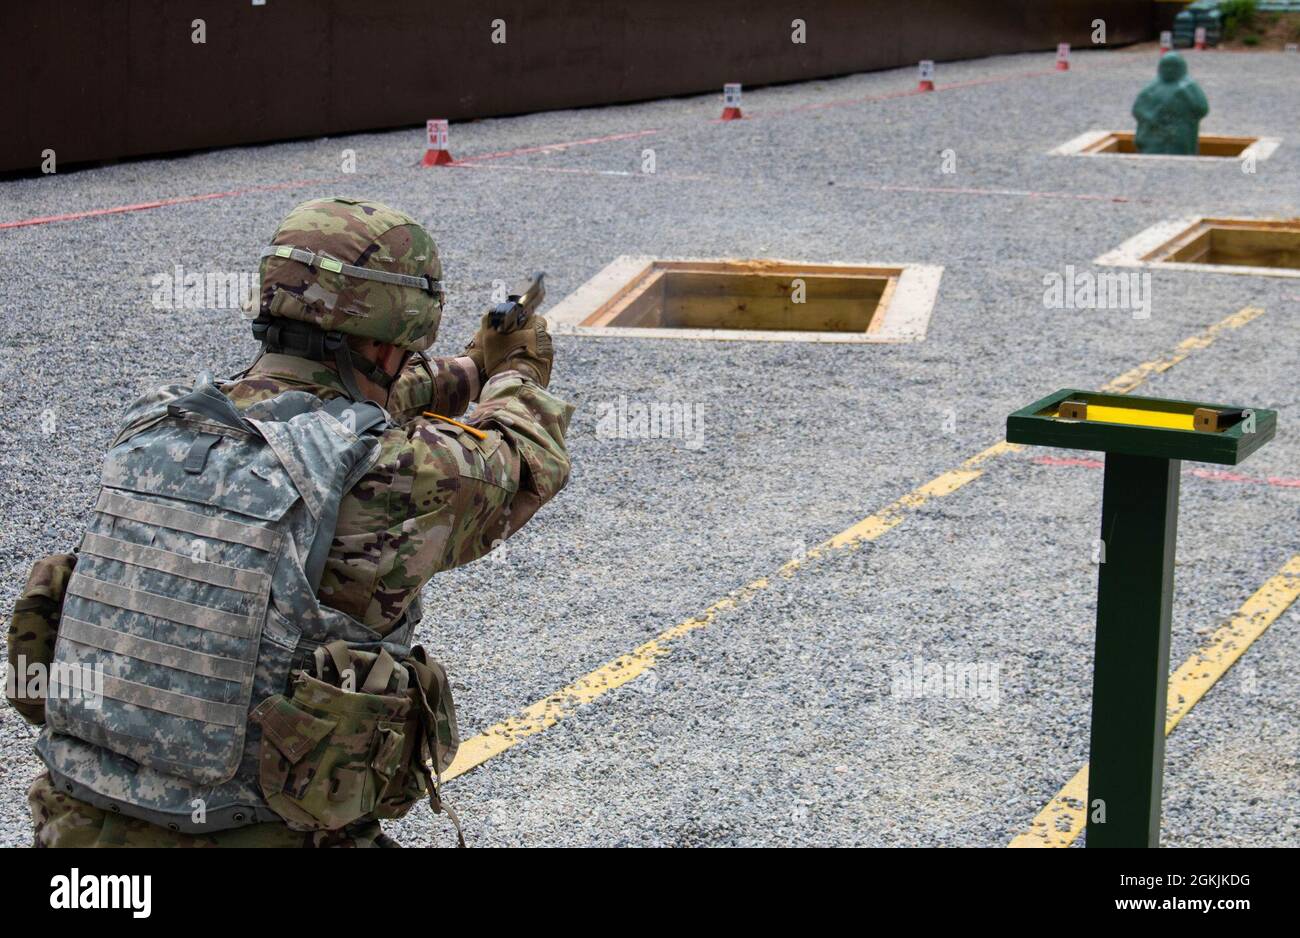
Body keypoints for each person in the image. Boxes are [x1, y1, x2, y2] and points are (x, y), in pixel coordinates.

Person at [11, 196, 574, 846]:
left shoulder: (155, 423)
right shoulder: (390, 475)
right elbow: (525, 457)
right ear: (393, 333)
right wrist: (519, 370)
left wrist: (472, 368)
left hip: (77, 830)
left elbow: (329, 397)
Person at [1133, 51, 1209, 155]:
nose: (1169, 70)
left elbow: (1202, 108)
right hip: (1154, 133)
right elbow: (1138, 108)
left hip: (1181, 133)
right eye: (1166, 66)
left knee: (1181, 152)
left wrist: (1186, 97)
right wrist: (1150, 117)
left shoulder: (1189, 87)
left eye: (1174, 67)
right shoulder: (1152, 88)